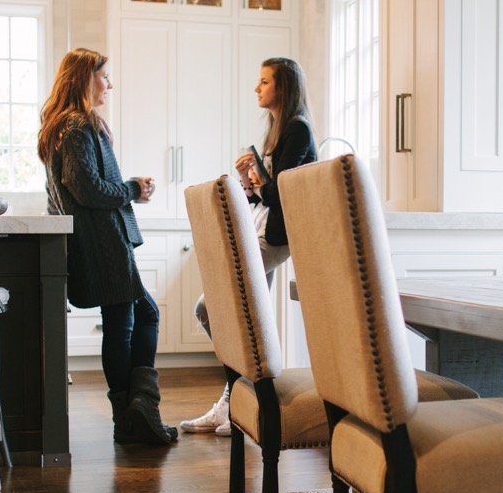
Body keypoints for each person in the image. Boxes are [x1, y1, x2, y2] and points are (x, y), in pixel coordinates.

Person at [38, 47, 177, 445]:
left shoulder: (60, 126)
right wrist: (132, 188)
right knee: (137, 318)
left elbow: (78, 188)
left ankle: (131, 417)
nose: (109, 85)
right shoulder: (78, 125)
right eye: (105, 77)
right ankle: (138, 411)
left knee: (126, 321)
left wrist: (127, 188)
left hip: (93, 240)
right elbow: (87, 190)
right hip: (102, 241)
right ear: (84, 78)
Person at [181, 57, 318, 434]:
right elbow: (264, 197)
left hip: (277, 237)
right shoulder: (278, 131)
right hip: (263, 230)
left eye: (264, 82)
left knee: (209, 307)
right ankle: (237, 404)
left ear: (283, 87)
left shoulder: (298, 131)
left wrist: (257, 181)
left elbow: (284, 192)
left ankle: (236, 401)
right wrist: (248, 180)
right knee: (250, 321)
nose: (257, 88)